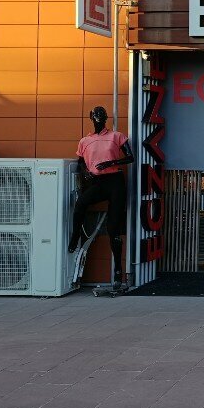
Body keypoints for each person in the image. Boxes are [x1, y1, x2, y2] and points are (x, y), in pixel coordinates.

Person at [69, 106, 134, 289]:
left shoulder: (117, 136)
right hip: (97, 182)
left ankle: (118, 271)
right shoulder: (85, 141)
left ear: (106, 118)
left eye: (102, 116)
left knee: (113, 228)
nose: (99, 119)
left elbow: (130, 157)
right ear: (91, 117)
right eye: (96, 116)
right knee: (80, 204)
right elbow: (80, 162)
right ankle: (75, 235)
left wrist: (111, 162)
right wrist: (85, 172)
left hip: (115, 182)